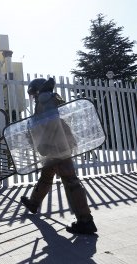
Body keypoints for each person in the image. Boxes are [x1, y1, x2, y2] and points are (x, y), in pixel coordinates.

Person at [21, 77, 97, 235]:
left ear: (38, 91)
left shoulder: (44, 99)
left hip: (55, 147)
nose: (33, 97)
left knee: (70, 180)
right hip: (58, 145)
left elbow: (50, 123)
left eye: (34, 94)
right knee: (47, 176)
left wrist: (42, 143)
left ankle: (85, 221)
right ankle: (34, 203)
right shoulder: (51, 98)